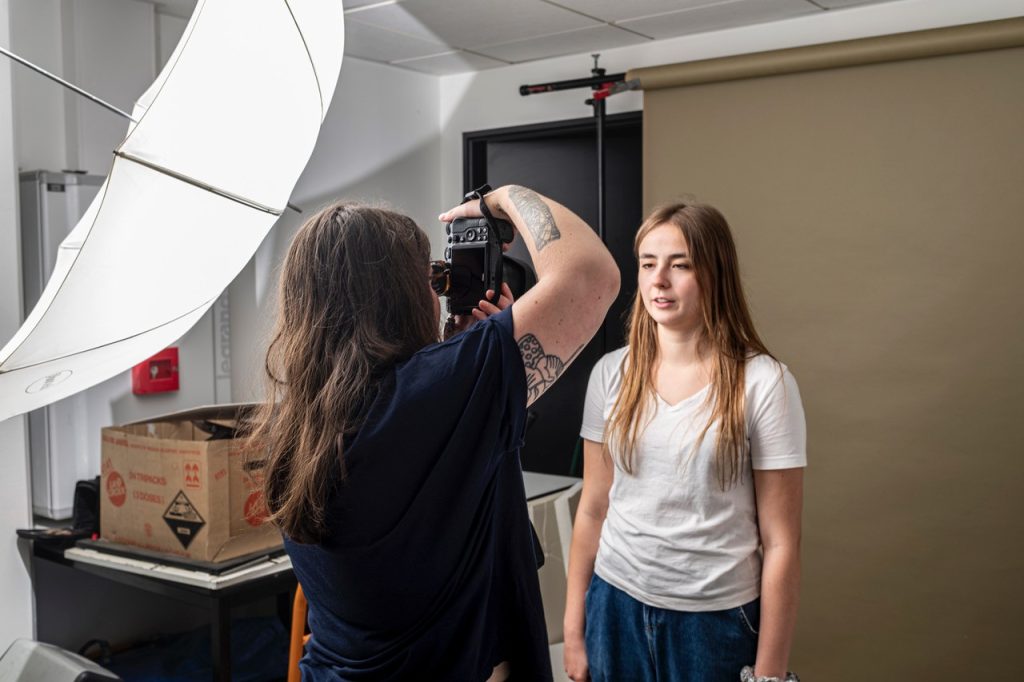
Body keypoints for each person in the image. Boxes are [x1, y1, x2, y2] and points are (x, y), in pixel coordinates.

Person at [245, 186, 620, 681]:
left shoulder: (294, 425)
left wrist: (456, 357)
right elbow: (591, 275)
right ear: (396, 293)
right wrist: (504, 197)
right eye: (429, 278)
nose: (437, 291)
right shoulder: (434, 394)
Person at [562, 202, 806, 682]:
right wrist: (574, 629)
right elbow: (593, 507)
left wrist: (770, 673)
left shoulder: (765, 383)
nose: (659, 280)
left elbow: (782, 543)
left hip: (713, 625)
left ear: (715, 274)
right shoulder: (612, 373)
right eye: (648, 264)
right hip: (614, 607)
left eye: (681, 265)